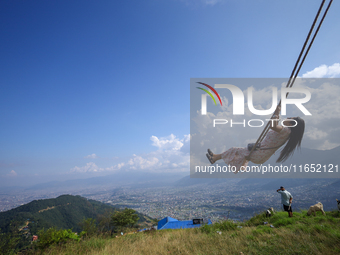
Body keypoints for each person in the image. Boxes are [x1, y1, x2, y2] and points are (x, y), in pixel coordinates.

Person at [206, 106, 305, 173]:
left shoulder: (286, 131)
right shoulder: (287, 133)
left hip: (259, 154)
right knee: (236, 152)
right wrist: (275, 116)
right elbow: (274, 126)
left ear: (292, 123)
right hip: (261, 155)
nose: (287, 117)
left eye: (290, 117)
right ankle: (214, 157)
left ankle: (214, 158)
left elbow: (273, 126)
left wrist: (277, 113)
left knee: (233, 149)